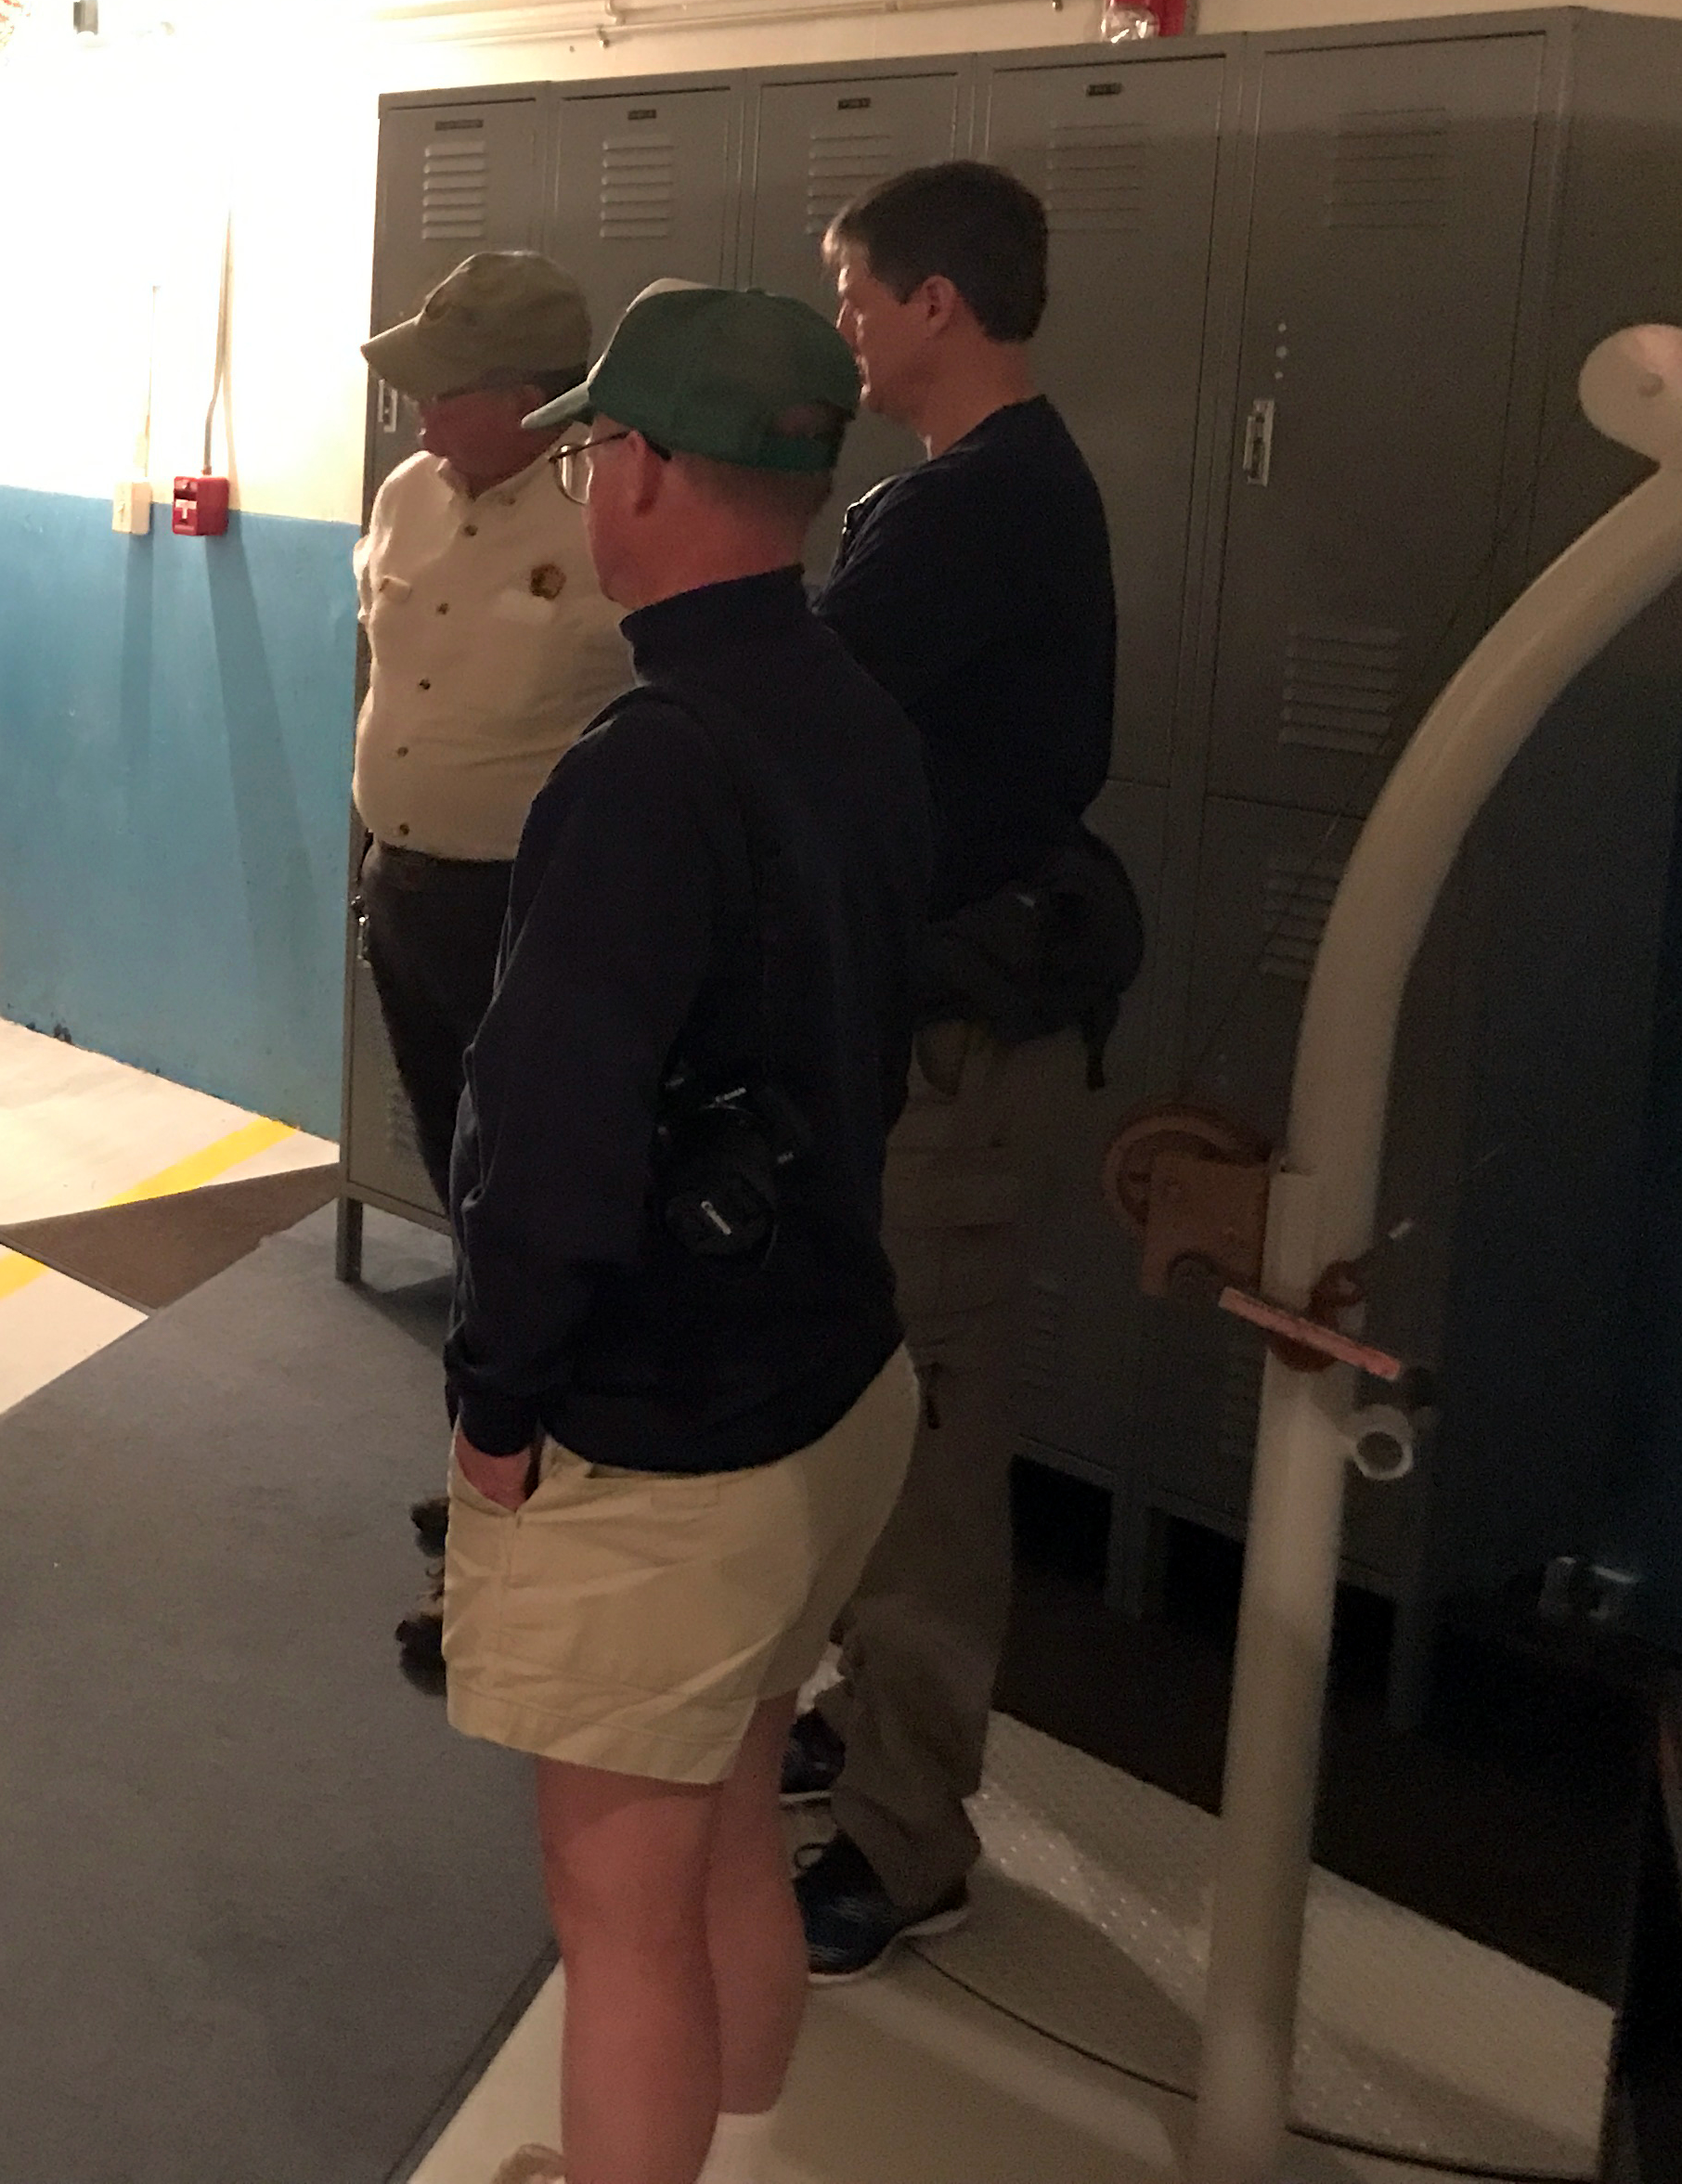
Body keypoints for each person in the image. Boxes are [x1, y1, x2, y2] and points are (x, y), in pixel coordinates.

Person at [435, 283, 932, 2184]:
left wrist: (500, 1392)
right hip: (834, 1380)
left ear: (637, 467)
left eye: (591, 447)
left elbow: (543, 1147)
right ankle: (730, 2147)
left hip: (667, 1432)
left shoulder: (646, 766)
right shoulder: (848, 710)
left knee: (617, 1899)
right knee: (728, 1801)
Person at [791, 160, 1136, 1985]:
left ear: (937, 302)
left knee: (926, 1439)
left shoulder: (976, 510)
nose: (843, 322)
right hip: (907, 1030)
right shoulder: (970, 492)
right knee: (874, 1410)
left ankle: (906, 1832)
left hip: (955, 1053)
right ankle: (862, 1725)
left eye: (855, 291)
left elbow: (808, 712)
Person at [352, 252, 638, 1680]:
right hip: (407, 893)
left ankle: (528, 1528)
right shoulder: (410, 499)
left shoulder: (609, 519)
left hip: (533, 917)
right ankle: (489, 1459)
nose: (416, 419)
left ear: (534, 402)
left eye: (444, 392)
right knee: (466, 1209)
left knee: (533, 1215)